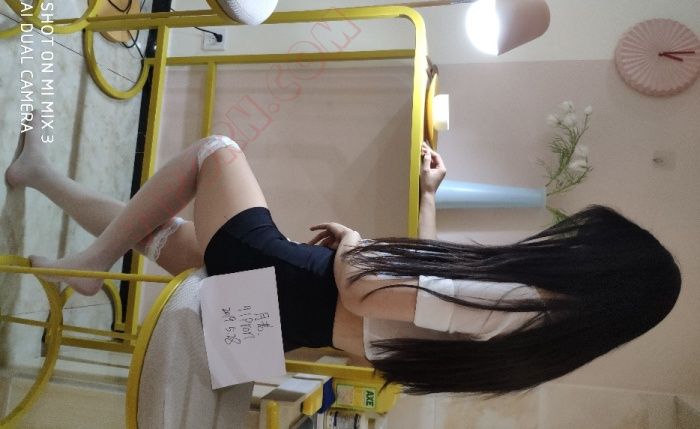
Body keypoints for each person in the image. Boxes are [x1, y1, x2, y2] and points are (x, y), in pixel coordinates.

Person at [5, 128, 682, 395]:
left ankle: (87, 266)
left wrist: (356, 242)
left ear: (601, 269)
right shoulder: (531, 338)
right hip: (277, 326)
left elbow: (365, 292)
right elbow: (423, 302)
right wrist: (428, 199)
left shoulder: (514, 301)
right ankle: (38, 176)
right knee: (165, 235)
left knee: (216, 152)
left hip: (284, 282)